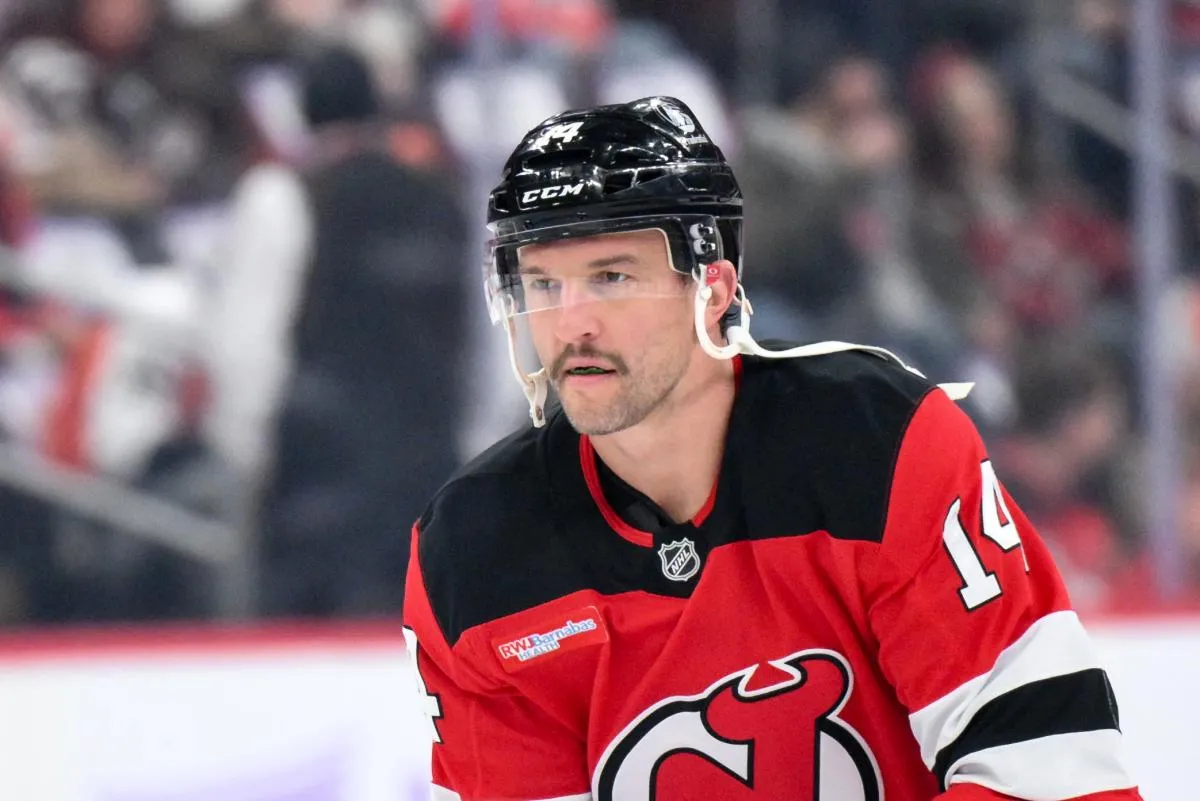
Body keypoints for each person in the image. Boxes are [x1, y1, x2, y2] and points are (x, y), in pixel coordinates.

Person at [401, 96, 1141, 800]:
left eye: (612, 278)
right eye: (542, 284)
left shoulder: (874, 447)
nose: (570, 324)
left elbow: (1053, 774)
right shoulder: (475, 551)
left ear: (714, 289)